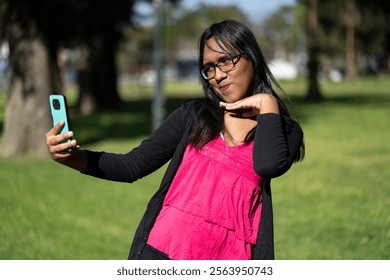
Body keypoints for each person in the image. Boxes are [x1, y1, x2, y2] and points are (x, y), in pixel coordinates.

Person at [45, 19, 304, 260]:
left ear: (252, 58)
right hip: (162, 253)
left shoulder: (284, 130)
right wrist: (72, 158)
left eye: (226, 61)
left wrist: (267, 104)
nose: (218, 75)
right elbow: (131, 165)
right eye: (209, 68)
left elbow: (268, 165)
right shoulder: (193, 115)